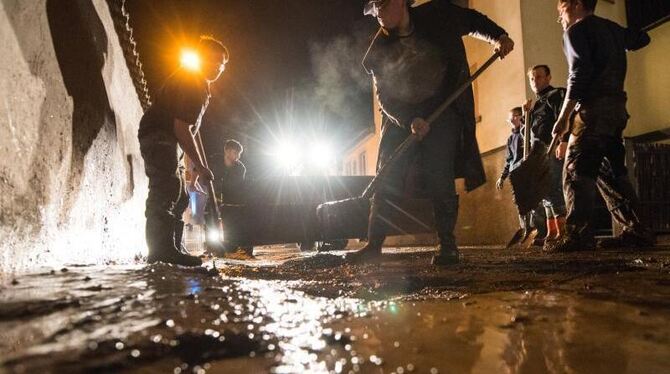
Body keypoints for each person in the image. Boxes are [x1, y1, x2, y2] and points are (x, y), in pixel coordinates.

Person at [349, 0, 514, 265]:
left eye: (382, 4)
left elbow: (473, 21)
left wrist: (499, 36)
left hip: (443, 107)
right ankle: (374, 245)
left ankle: (447, 246)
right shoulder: (378, 49)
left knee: (440, 174)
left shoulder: (439, 14)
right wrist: (409, 119)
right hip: (401, 115)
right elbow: (384, 96)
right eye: (374, 8)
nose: (378, 12)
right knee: (387, 174)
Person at [546, 0, 654, 252]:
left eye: (560, 11)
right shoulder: (611, 29)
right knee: (611, 172)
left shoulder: (575, 31)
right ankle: (638, 230)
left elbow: (578, 74)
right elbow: (642, 39)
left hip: (592, 111)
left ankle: (577, 236)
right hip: (616, 110)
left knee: (575, 170)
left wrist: (563, 117)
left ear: (574, 5)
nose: (560, 18)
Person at [138, 36, 229, 266]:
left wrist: (194, 169)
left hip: (170, 139)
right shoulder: (191, 80)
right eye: (213, 61)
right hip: (158, 134)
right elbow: (181, 126)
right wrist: (200, 165)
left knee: (180, 194)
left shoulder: (202, 87)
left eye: (222, 65)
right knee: (166, 188)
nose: (217, 68)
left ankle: (173, 248)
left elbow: (192, 130)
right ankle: (159, 251)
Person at [524, 65, 567, 244]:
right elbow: (529, 134)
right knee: (545, 192)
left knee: (553, 188)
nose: (535, 81)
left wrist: (563, 142)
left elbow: (563, 118)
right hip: (538, 153)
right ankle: (551, 232)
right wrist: (526, 114)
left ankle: (563, 232)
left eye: (539, 77)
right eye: (532, 79)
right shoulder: (536, 105)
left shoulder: (556, 95)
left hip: (551, 148)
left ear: (548, 77)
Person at [496, 107, 527, 233]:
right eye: (511, 117)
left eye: (515, 115)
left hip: (526, 171)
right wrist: (502, 177)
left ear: (522, 116)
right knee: (519, 203)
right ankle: (525, 228)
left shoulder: (526, 133)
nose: (512, 119)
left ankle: (537, 229)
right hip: (515, 174)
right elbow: (509, 161)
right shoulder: (510, 139)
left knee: (532, 201)